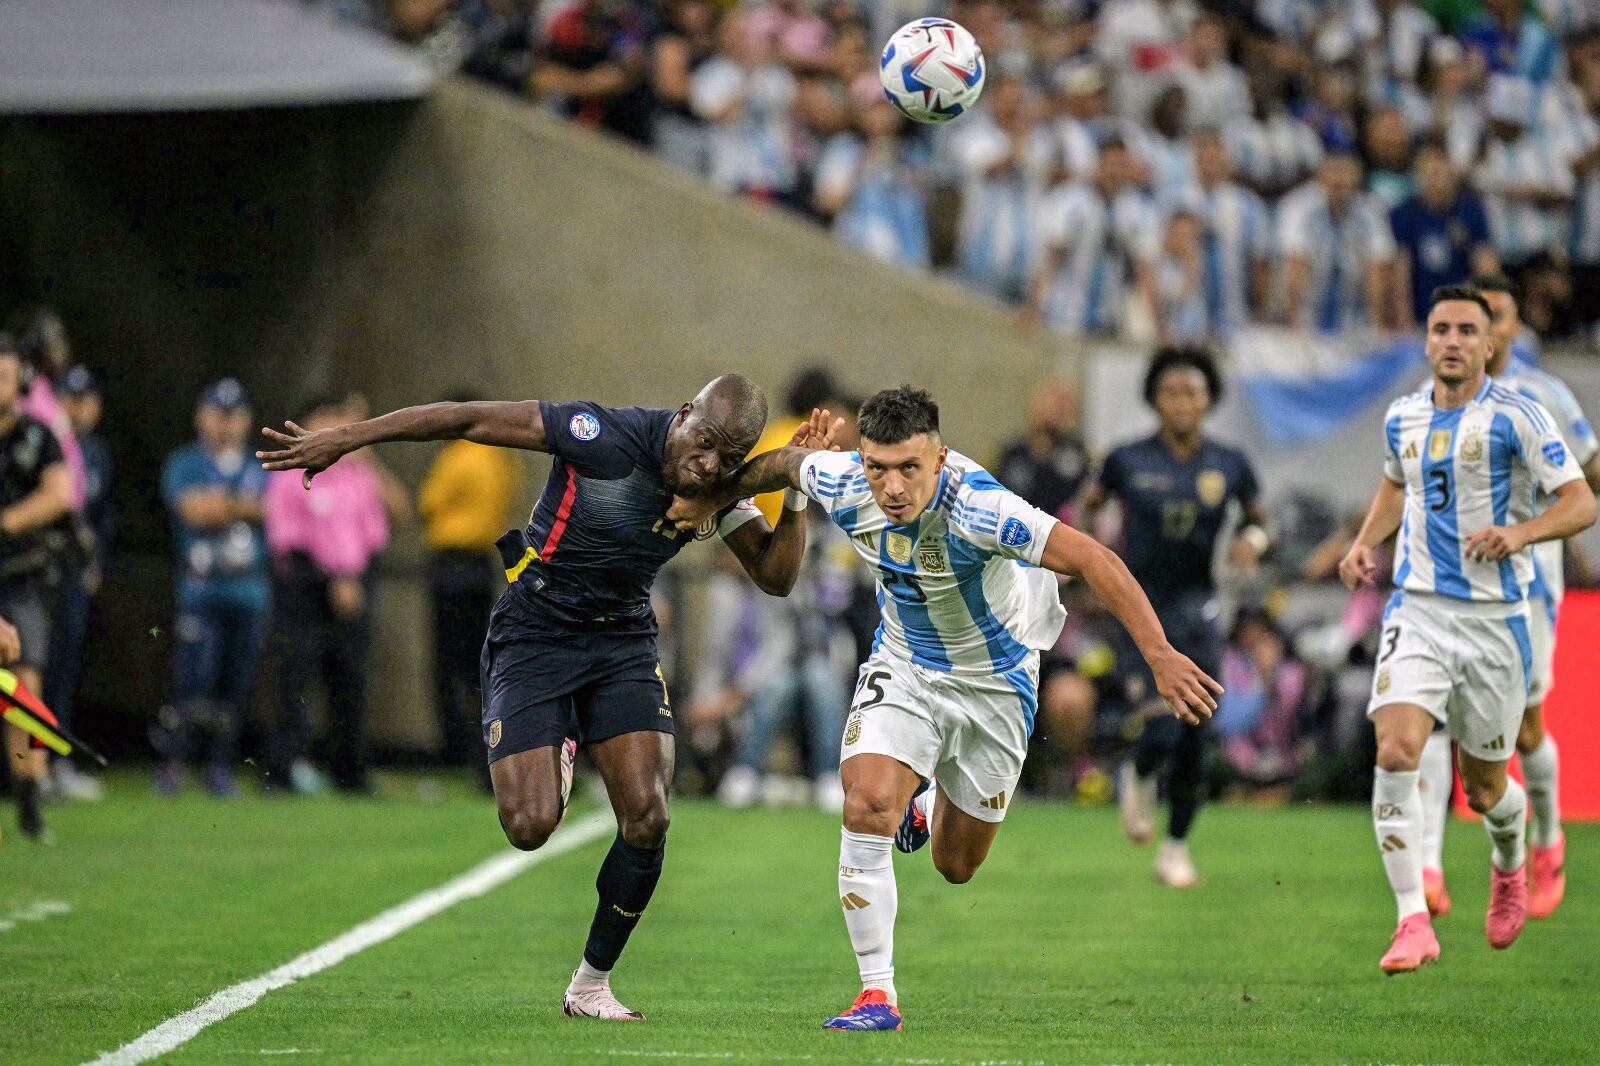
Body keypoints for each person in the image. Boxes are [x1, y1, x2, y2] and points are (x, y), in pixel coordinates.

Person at [257, 375, 814, 1021]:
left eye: (729, 457)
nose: (711, 464)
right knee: (529, 827)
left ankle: (590, 984)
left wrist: (793, 496)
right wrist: (351, 437)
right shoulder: (598, 434)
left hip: (623, 643)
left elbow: (776, 576)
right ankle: (566, 732)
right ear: (684, 414)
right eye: (707, 445)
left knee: (649, 816)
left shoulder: (713, 489)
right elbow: (466, 418)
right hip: (537, 633)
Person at [667, 386, 1221, 1031]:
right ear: (861, 460)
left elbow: (1094, 558)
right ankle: (877, 995)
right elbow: (781, 465)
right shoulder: (844, 480)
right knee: (866, 803)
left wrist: (1158, 655)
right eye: (878, 468)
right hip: (904, 665)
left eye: (910, 468)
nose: (893, 486)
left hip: (996, 686)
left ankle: (923, 803)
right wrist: (711, 496)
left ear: (939, 458)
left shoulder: (982, 510)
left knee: (957, 867)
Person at [1337, 285, 1595, 973]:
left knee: (1483, 789)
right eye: (1440, 328)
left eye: (1466, 331)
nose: (1452, 340)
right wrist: (1366, 541)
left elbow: (1581, 502)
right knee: (1395, 750)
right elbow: (1397, 482)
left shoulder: (1521, 415)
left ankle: (1510, 857)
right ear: (1427, 342)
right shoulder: (1403, 417)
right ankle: (1411, 921)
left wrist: (1522, 533)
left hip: (1495, 624)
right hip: (1418, 611)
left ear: (1489, 346)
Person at [1413, 275, 1600, 922]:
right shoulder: (1427, 399)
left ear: (1509, 328)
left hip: (1524, 586)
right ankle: (1428, 864)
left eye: (1491, 317)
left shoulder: (1542, 396)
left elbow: (1588, 481)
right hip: (1439, 586)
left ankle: (1546, 840)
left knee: (1524, 727)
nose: (1469, 331)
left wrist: (1530, 527)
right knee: (1430, 714)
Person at [1080, 347, 1266, 887]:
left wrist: (1252, 542)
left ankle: (1176, 848)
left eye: (1193, 392)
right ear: (1154, 400)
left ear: (1209, 400)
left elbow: (1261, 522)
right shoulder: (1125, 460)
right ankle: (1137, 771)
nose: (1182, 402)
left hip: (1200, 607)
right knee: (1162, 724)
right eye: (1171, 392)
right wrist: (1092, 551)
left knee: (1195, 729)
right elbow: (1086, 507)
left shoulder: (1230, 464)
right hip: (1137, 606)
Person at [264, 395, 393, 794]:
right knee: (296, 679)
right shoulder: (289, 473)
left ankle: (349, 770)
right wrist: (332, 578)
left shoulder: (357, 477)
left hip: (354, 589)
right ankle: (283, 768)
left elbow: (375, 534)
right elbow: (286, 539)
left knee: (350, 681)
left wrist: (351, 579)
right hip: (305, 591)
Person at [157, 379, 271, 797]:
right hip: (200, 592)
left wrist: (224, 504)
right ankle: (175, 763)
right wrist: (243, 507)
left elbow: (276, 510)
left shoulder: (260, 464)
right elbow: (192, 510)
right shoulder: (184, 463)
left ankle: (219, 766)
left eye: (234, 415)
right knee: (192, 680)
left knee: (235, 684)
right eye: (217, 414)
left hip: (248, 593)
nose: (225, 424)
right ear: (201, 416)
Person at [416, 392, 522, 783]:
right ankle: (485, 756)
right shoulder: (502, 459)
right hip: (483, 564)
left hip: (451, 564)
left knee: (448, 663)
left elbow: (427, 504)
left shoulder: (457, 457)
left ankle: (454, 752)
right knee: (482, 664)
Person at [0, 337, 74, 842]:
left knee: (23, 684)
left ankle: (29, 792)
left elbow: (61, 493)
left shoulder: (36, 435)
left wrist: (7, 522)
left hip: (18, 573)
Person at [46, 365, 114, 802]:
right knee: (30, 668)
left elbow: (103, 516)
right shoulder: (41, 445)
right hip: (36, 572)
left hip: (73, 573)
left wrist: (95, 564)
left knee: (63, 670)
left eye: (86, 400)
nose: (78, 409)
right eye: (69, 399)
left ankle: (55, 762)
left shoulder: (95, 453)